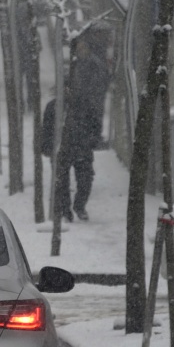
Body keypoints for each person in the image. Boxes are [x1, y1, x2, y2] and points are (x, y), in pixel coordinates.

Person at [56, 28, 111, 220]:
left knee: (85, 177)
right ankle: (66, 210)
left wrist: (93, 133)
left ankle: (79, 206)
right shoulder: (71, 69)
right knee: (62, 177)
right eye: (78, 47)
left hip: (83, 133)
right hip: (70, 133)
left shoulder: (94, 68)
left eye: (83, 46)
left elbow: (95, 97)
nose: (80, 50)